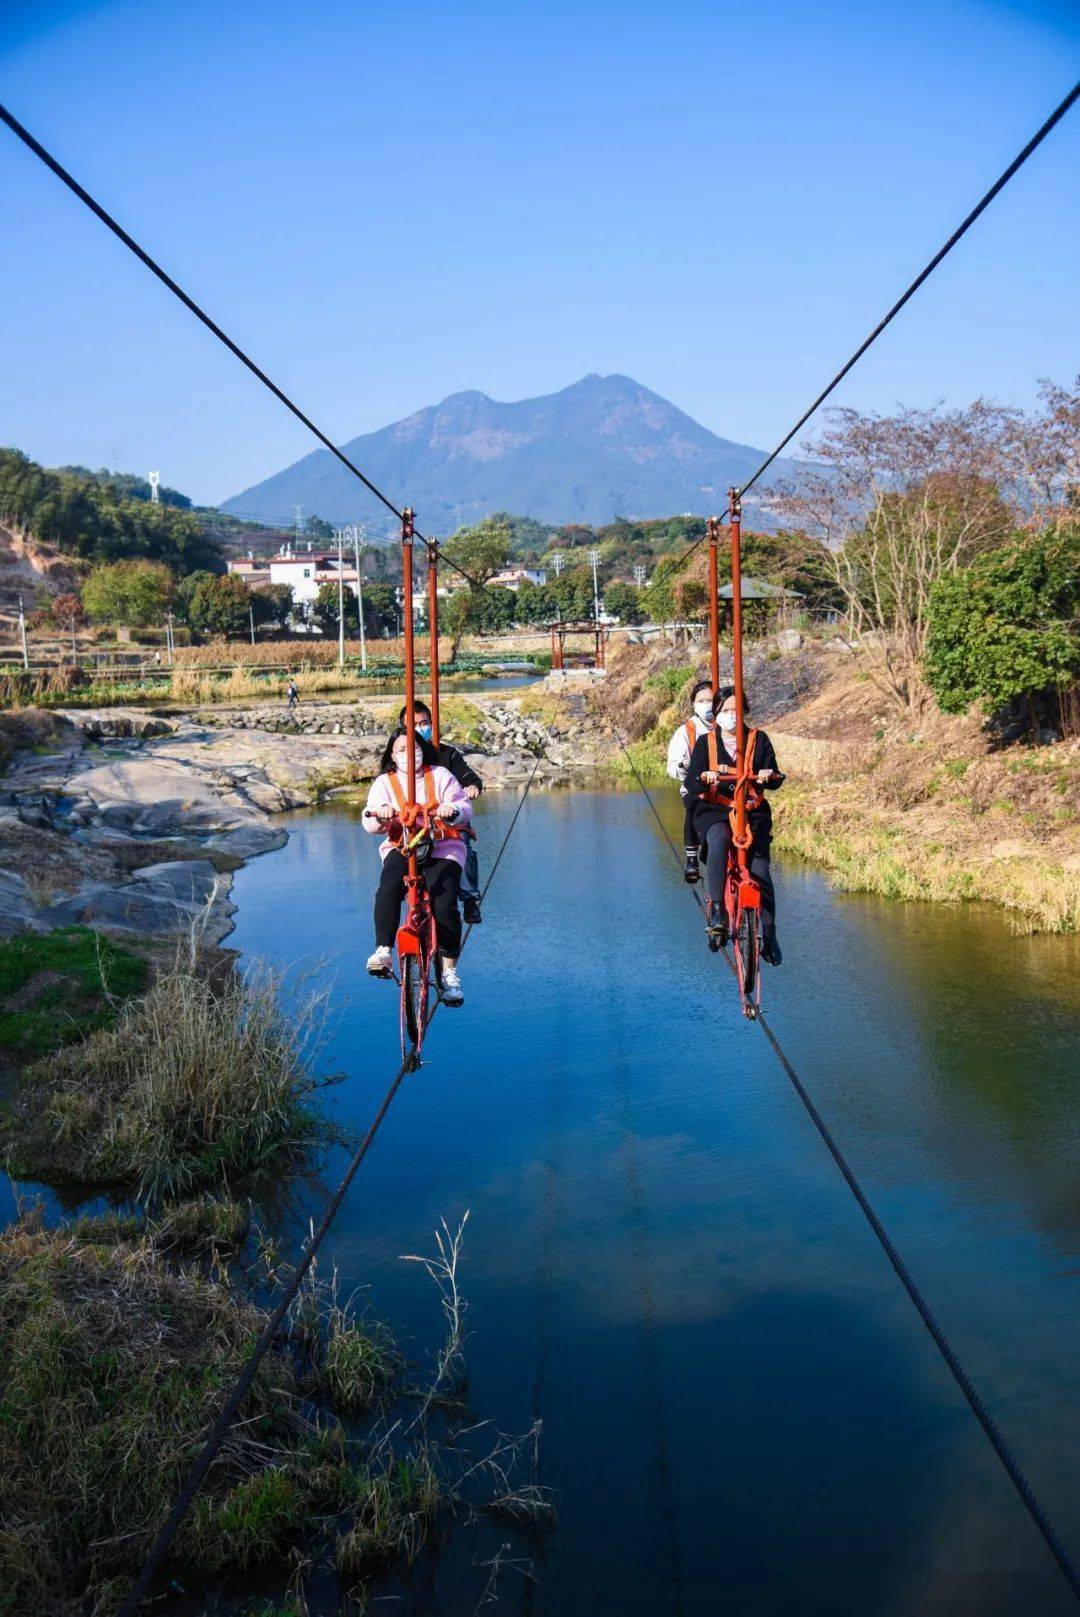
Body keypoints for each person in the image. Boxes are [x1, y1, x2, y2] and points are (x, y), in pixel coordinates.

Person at [362, 728, 472, 1004]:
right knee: (387, 888)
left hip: (442, 846)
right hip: (404, 846)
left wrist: (452, 811)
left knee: (444, 902)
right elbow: (369, 820)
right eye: (401, 750)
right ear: (392, 754)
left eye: (414, 748)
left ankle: (449, 973)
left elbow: (464, 806)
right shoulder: (384, 783)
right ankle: (383, 950)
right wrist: (383, 816)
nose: (409, 754)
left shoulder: (441, 776)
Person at [683, 686, 784, 965]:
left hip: (751, 810)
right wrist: (705, 777)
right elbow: (691, 784)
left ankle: (770, 934)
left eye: (736, 711)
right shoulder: (706, 743)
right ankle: (718, 911)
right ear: (716, 714)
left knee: (760, 869)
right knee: (718, 839)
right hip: (716, 808)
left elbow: (775, 778)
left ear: (745, 712)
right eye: (725, 711)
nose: (731, 716)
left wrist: (766, 775)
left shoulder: (758, 740)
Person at [397, 702, 485, 925]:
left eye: (424, 723)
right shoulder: (399, 757)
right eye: (413, 726)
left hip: (444, 823)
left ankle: (470, 899)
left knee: (462, 842)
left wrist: (472, 787)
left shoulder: (446, 754)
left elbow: (469, 778)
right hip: (414, 825)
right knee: (395, 851)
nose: (420, 729)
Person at [665, 679, 715, 883]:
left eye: (710, 700)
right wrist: (683, 767)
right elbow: (672, 766)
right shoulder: (686, 731)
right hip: (697, 787)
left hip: (726, 787)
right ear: (694, 704)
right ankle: (692, 859)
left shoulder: (729, 728)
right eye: (701, 700)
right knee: (693, 807)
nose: (707, 705)